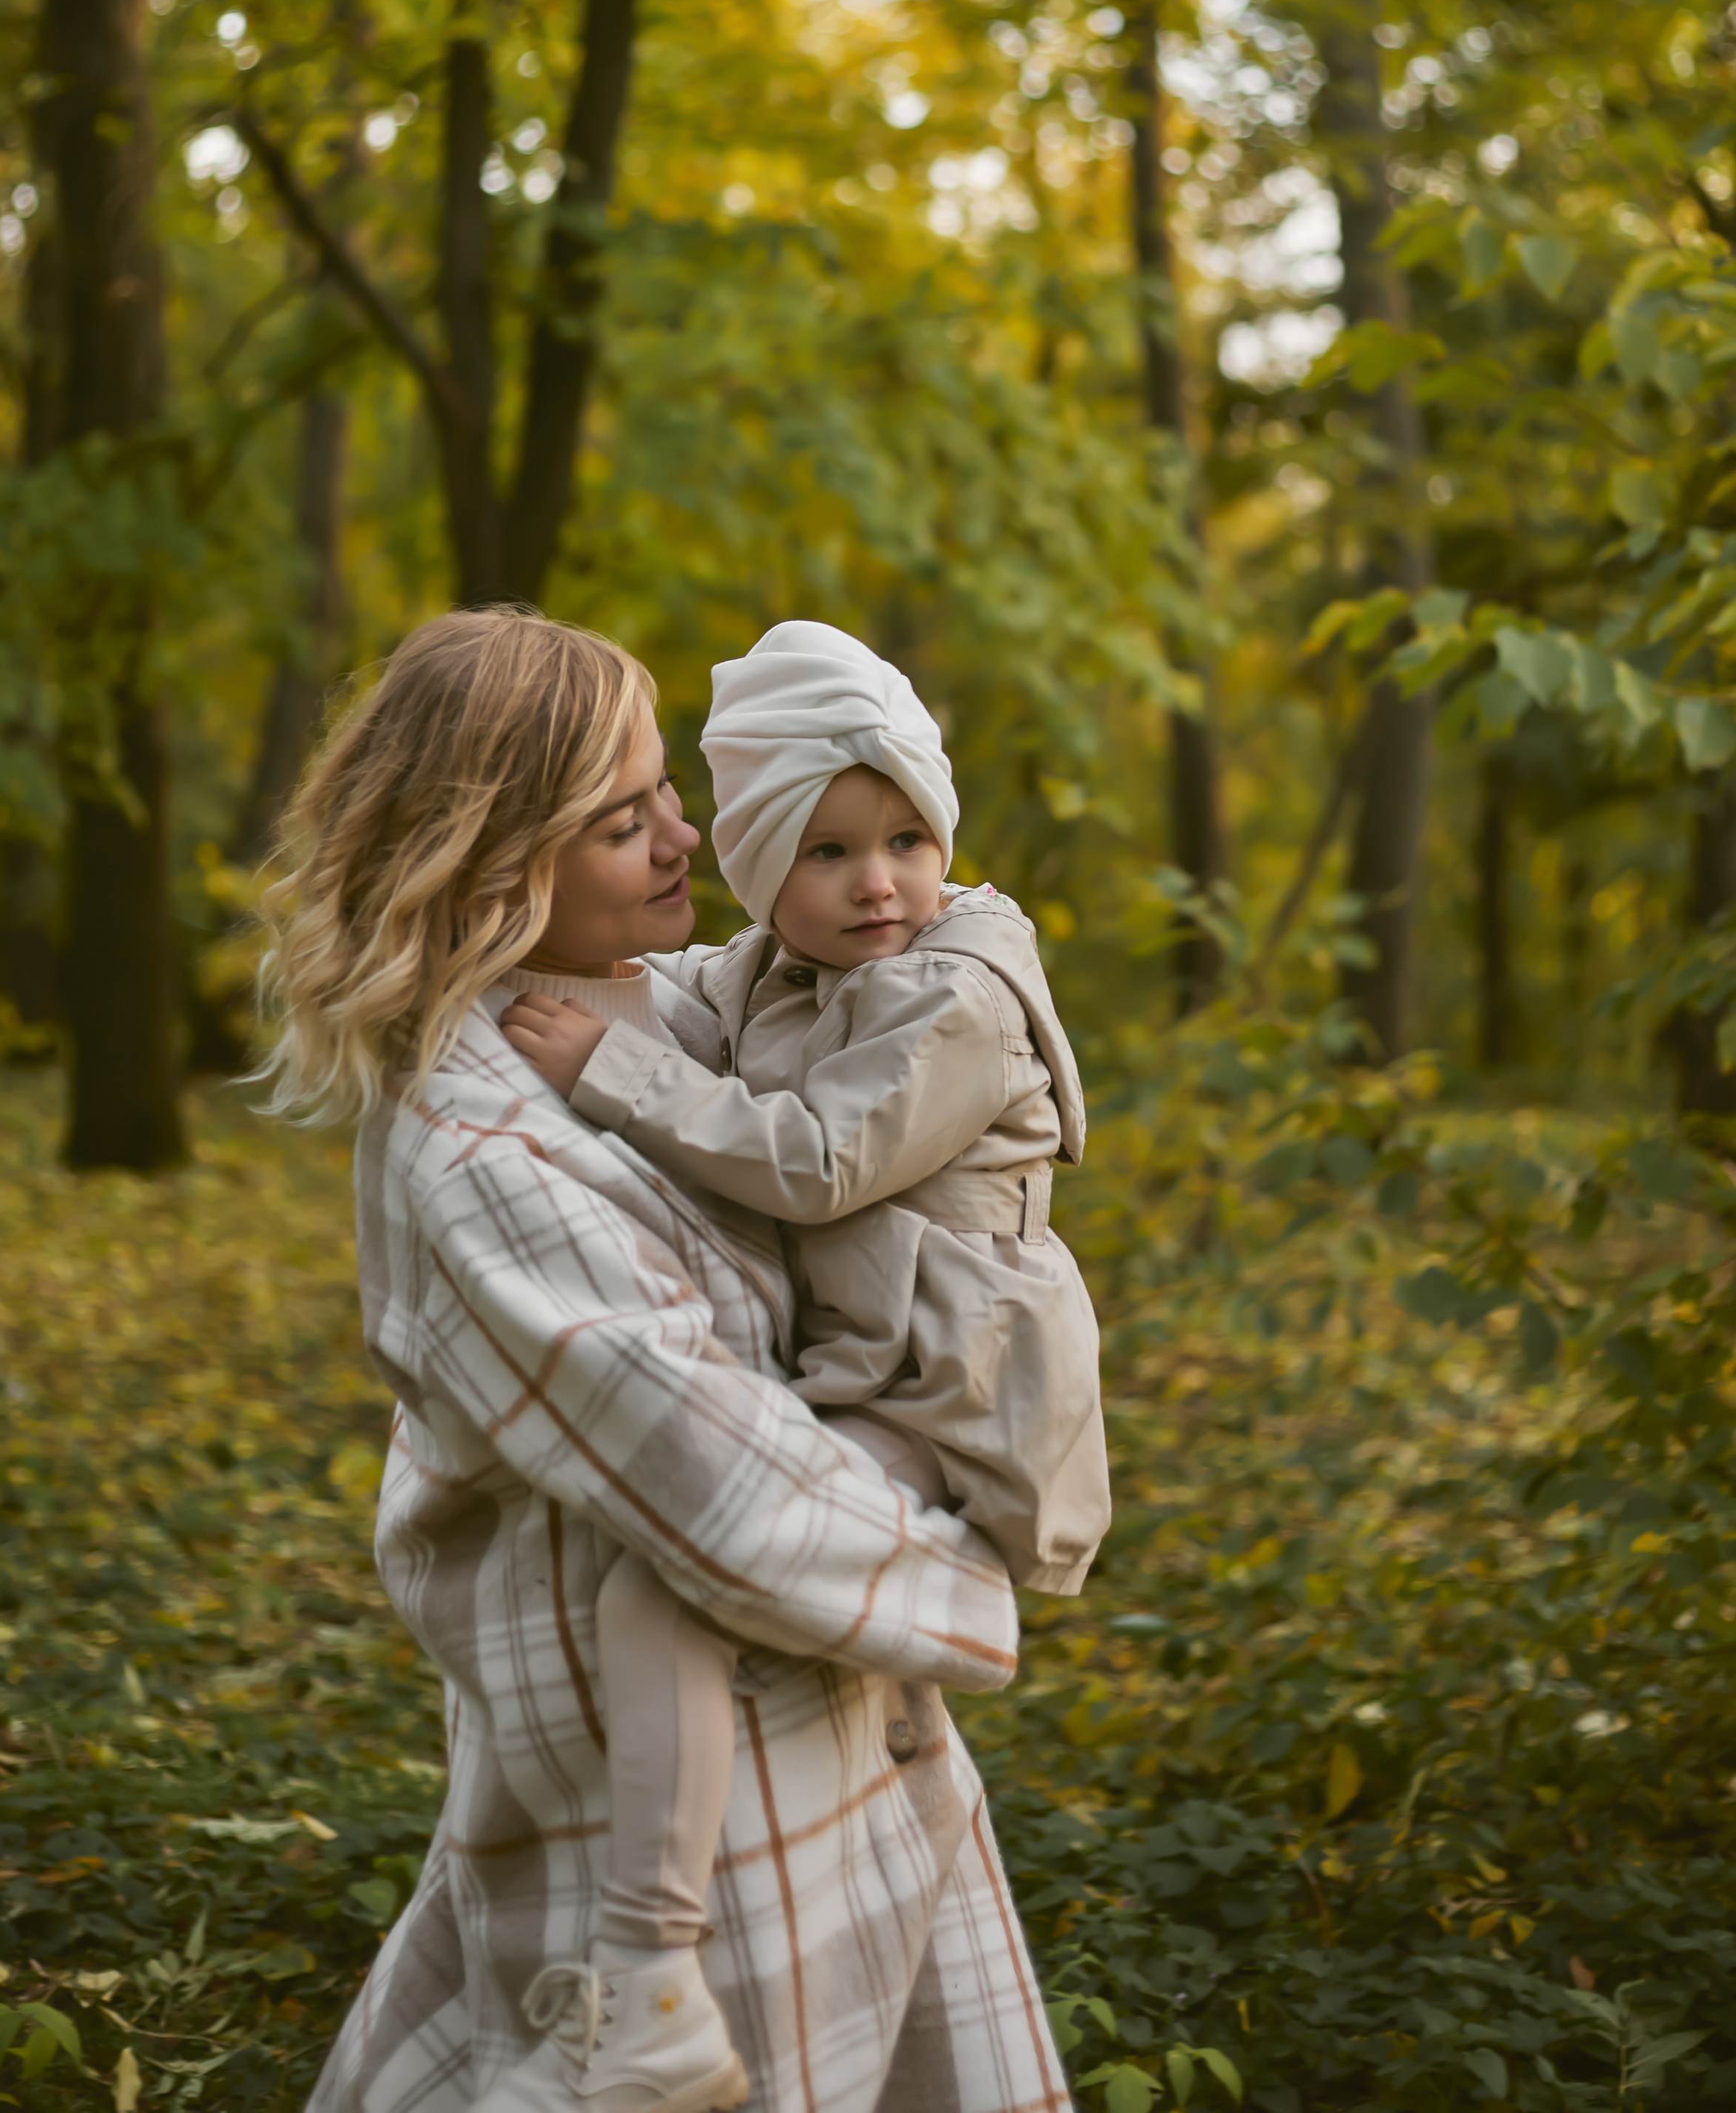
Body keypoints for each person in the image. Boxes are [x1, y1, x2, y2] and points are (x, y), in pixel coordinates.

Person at [259, 609, 1071, 2113]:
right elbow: (712, 1475)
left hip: (831, 1724)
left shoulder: (670, 1001)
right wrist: (971, 1561)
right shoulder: (479, 1137)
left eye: (664, 795)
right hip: (695, 1804)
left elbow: (837, 1032)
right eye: (621, 819)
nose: (678, 835)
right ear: (498, 865)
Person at [501, 621, 1109, 2110]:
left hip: (955, 1391)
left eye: (906, 837)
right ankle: (863, 1693)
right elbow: (691, 984)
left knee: (673, 1575)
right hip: (867, 1372)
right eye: (827, 852)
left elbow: (823, 1158)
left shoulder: (950, 994)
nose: (880, 883)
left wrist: (614, 1071)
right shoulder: (783, 966)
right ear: (764, 868)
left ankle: (648, 1969)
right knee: (682, 1538)